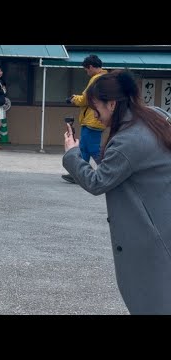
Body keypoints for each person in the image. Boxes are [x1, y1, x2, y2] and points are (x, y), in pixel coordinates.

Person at [62, 70, 171, 315]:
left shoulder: (129, 141)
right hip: (163, 224)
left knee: (152, 301)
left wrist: (71, 154)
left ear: (112, 104)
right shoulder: (154, 117)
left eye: (95, 108)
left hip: (151, 239)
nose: (94, 115)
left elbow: (97, 181)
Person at [62, 54, 107, 183]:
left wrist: (73, 99)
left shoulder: (96, 79)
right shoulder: (104, 78)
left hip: (93, 119)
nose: (87, 72)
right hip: (96, 119)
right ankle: (78, 174)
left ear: (91, 67)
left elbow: (85, 99)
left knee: (92, 148)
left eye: (86, 69)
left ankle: (108, 171)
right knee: (84, 148)